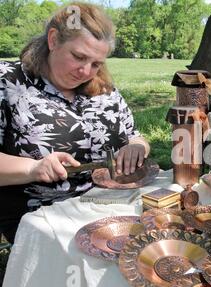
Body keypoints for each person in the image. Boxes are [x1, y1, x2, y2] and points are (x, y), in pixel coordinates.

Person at [0, 3, 150, 242]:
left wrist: (137, 146)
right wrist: (33, 168)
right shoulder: (8, 83)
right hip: (44, 218)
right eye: (78, 57)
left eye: (96, 63)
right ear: (53, 40)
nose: (86, 71)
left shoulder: (105, 90)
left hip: (111, 205)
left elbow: (134, 133)